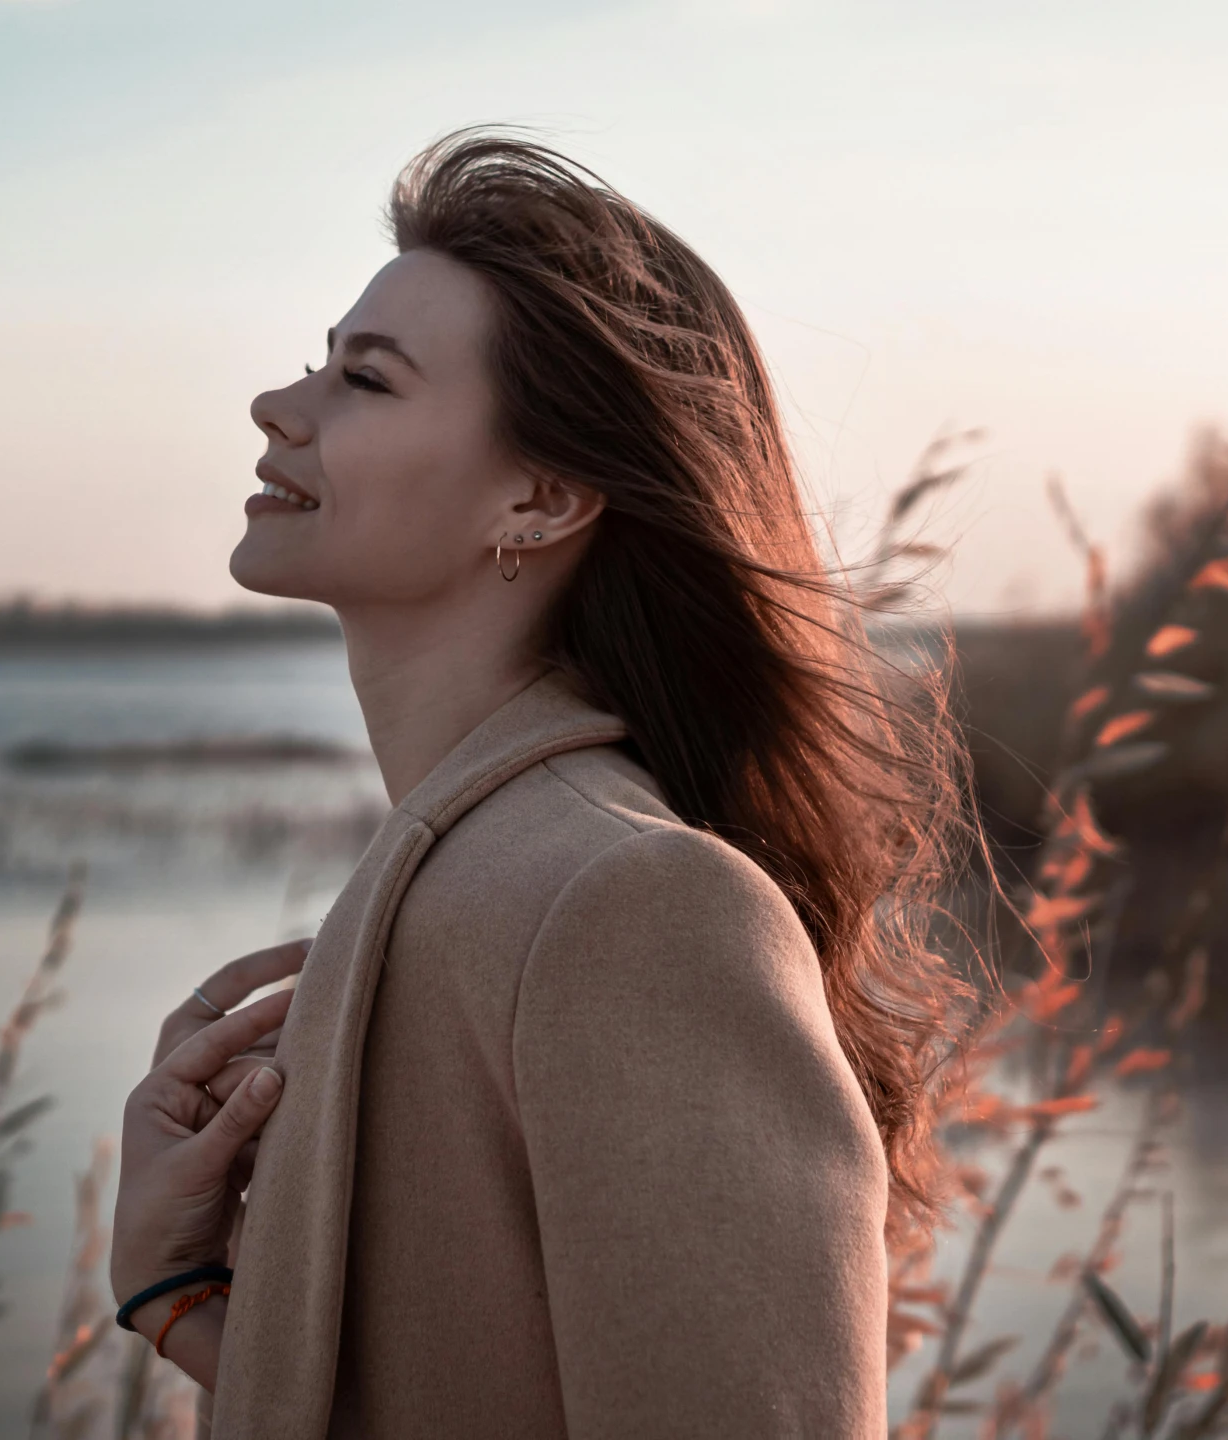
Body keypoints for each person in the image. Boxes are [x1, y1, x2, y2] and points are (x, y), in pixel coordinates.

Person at [109, 130, 964, 1438]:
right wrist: (177, 1295)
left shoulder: (635, 903)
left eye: (366, 380)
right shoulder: (457, 869)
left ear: (541, 497)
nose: (279, 407)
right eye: (314, 362)